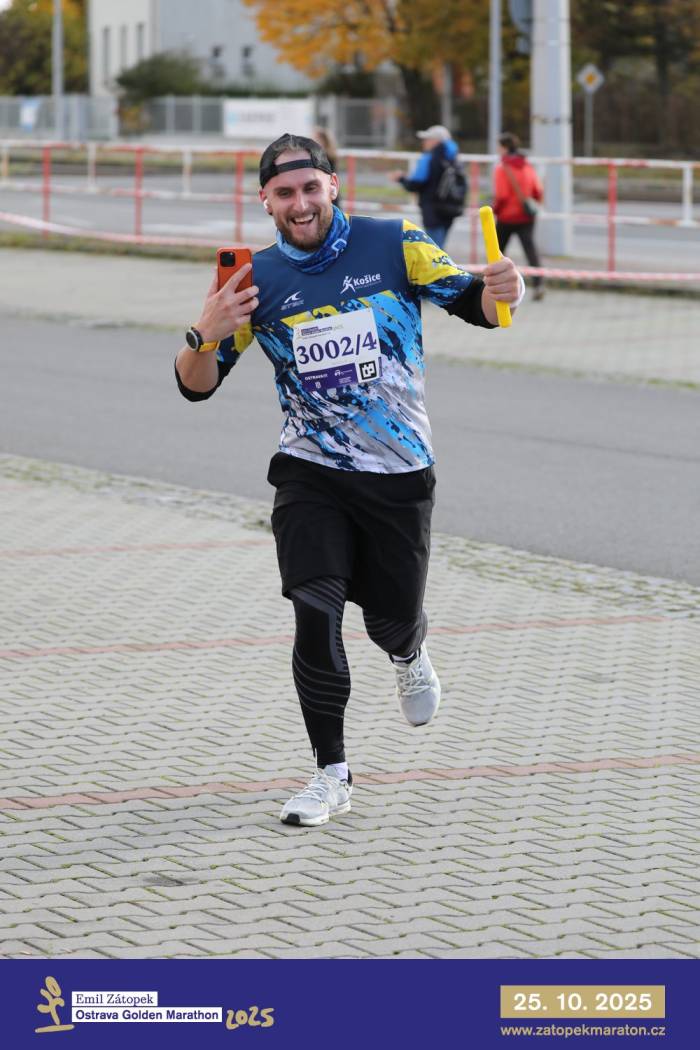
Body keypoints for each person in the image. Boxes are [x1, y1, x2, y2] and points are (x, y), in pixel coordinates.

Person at [174, 133, 524, 828]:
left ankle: (409, 649)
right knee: (314, 607)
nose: (300, 204)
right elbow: (196, 387)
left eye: (310, 188)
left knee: (390, 620)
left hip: (397, 473)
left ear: (333, 185)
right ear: (265, 201)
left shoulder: (395, 243)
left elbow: (477, 307)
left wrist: (500, 292)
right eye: (284, 193)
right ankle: (330, 774)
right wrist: (203, 331)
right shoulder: (252, 280)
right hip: (311, 471)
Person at [389, 124, 463, 249]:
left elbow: (415, 184)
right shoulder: (454, 158)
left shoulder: (429, 158)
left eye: (428, 139)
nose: (424, 142)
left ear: (436, 141)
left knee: (433, 249)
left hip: (432, 210)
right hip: (451, 209)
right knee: (440, 247)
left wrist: (401, 178)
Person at [493, 132, 545, 300]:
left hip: (507, 216)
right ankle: (539, 284)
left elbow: (502, 195)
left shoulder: (502, 168)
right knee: (530, 250)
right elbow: (538, 191)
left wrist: (495, 210)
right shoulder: (527, 165)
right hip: (526, 216)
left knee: (496, 251)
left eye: (499, 146)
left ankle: (492, 287)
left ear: (505, 148)